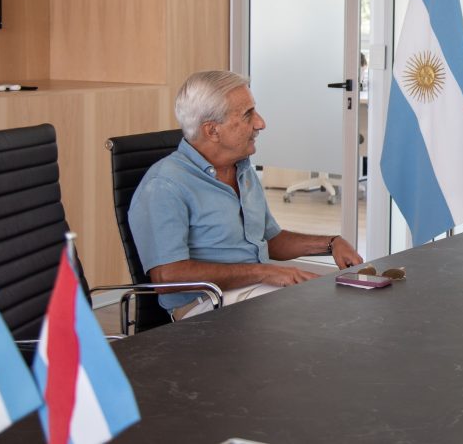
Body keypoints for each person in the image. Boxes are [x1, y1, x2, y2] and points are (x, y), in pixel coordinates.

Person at [129, 70, 364, 320]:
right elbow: (167, 276)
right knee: (324, 314)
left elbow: (269, 239)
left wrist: (331, 243)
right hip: (203, 307)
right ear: (212, 130)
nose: (260, 123)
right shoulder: (164, 185)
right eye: (247, 114)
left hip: (252, 292)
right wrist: (264, 273)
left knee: (342, 303)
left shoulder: (242, 170)